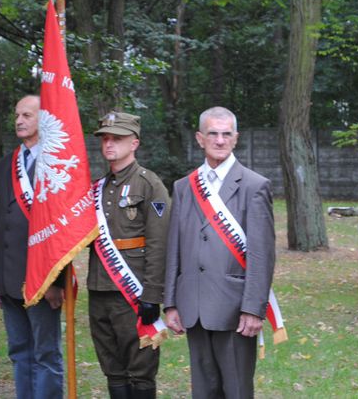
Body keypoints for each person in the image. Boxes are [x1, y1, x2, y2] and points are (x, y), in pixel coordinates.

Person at [163, 106, 276, 399]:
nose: (220, 140)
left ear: (236, 138)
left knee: (236, 390)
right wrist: (170, 303)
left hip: (234, 309)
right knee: (204, 390)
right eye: (213, 133)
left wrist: (254, 308)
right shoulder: (184, 187)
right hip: (194, 306)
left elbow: (262, 255)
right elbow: (174, 248)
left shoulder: (254, 186)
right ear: (200, 138)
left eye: (227, 134)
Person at [87, 111, 170, 399]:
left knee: (141, 367)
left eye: (117, 138)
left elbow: (160, 243)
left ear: (134, 143)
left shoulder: (149, 184)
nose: (109, 144)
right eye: (105, 138)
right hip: (98, 288)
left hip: (132, 292)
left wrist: (152, 294)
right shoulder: (97, 188)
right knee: (112, 367)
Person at [0, 95, 65, 399]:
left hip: (41, 279)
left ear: (42, 120)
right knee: (19, 352)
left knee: (46, 355)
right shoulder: (7, 162)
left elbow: (61, 232)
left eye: (27, 115)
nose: (19, 120)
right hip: (8, 277)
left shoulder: (58, 162)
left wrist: (55, 281)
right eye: (17, 114)